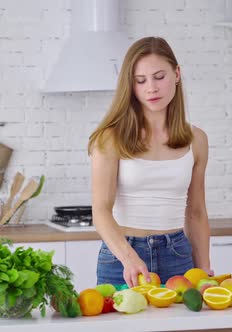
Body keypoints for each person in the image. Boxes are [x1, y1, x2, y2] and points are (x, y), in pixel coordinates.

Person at [88, 36, 212, 288]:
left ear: (176, 74)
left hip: (178, 255)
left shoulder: (196, 139)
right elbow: (100, 210)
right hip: (122, 258)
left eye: (159, 76)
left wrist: (205, 271)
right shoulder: (110, 139)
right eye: (140, 81)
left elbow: (196, 212)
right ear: (130, 86)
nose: (151, 88)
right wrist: (129, 258)